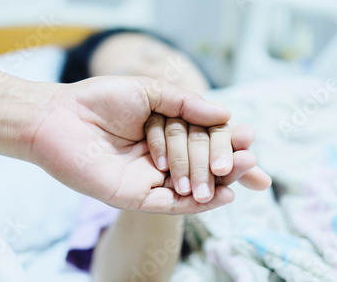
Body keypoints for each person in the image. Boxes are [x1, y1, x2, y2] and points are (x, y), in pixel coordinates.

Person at [61, 28, 271, 281]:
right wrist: (161, 174)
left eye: (156, 55)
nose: (152, 75)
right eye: (128, 80)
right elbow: (120, 275)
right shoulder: (113, 171)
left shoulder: (271, 96)